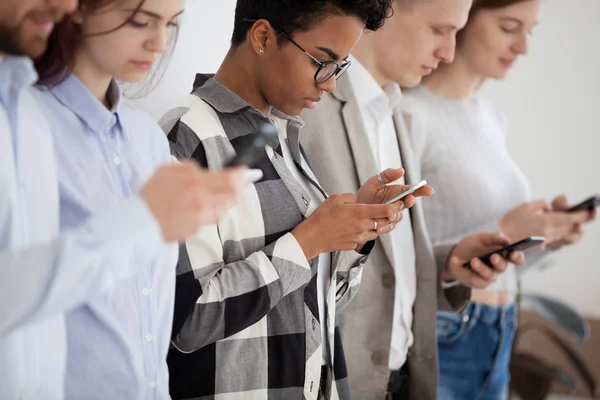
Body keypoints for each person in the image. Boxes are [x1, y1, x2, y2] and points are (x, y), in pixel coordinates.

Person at [158, 1, 429, 399]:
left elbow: (317, 302)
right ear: (263, 37)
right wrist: (307, 242)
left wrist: (354, 231)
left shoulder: (283, 137)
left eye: (340, 66)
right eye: (322, 60)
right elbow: (187, 321)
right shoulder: (185, 137)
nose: (330, 82)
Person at [0, 0, 246, 398]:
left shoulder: (147, 139)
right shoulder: (29, 119)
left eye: (170, 25)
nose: (159, 43)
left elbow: (152, 303)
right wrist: (143, 222)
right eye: (140, 21)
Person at [300, 0, 528, 399]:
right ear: (384, 10)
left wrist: (448, 263)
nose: (449, 53)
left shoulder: (395, 114)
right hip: (337, 381)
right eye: (440, 30)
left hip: (401, 377)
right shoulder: (309, 107)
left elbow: (389, 268)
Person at [401, 0, 597, 398]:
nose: (523, 46)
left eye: (530, 31)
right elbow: (395, 260)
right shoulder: (408, 114)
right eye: (510, 27)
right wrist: (506, 230)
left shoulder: (490, 118)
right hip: (444, 333)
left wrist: (544, 238)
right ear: (463, 19)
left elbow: (501, 269)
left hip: (500, 328)